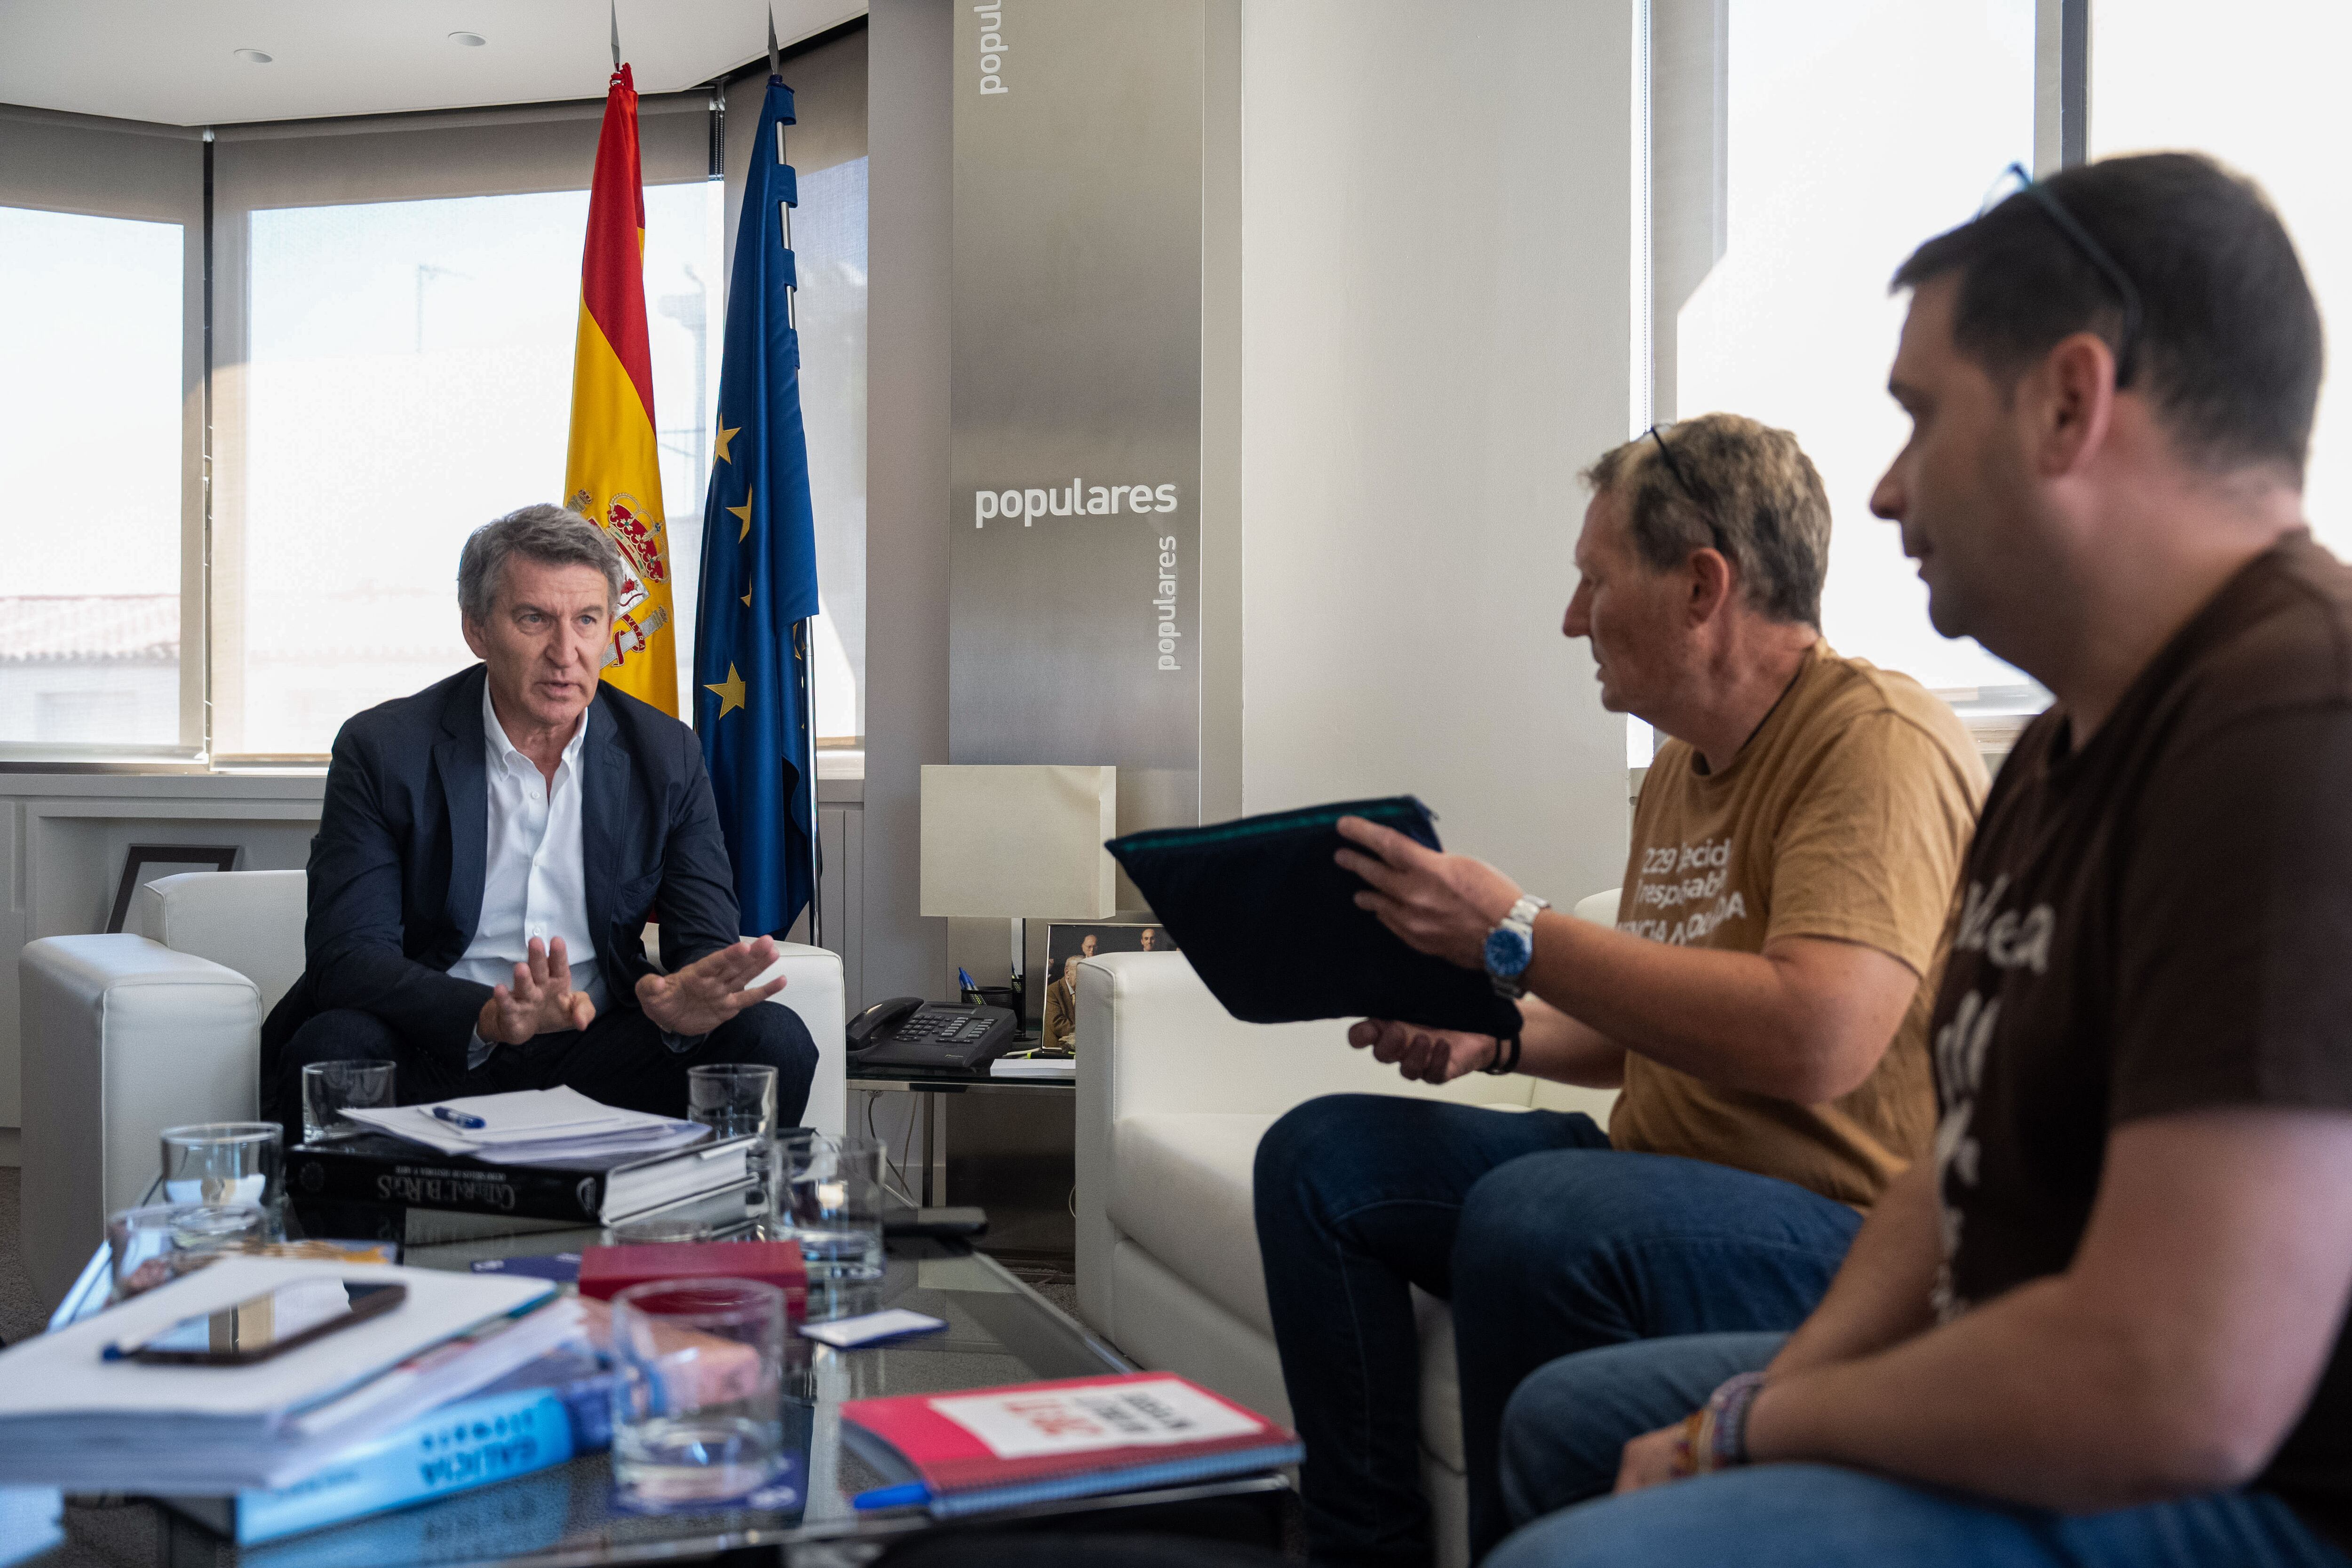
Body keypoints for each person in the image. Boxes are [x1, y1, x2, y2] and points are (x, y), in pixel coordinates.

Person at [1487, 152, 2352, 1568]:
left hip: (2237, 1482)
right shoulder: (2068, 747)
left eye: (1916, 415)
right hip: (2025, 1355)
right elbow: (1942, 1177)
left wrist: (1753, 1432)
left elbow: (2169, 1383)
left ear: (2069, 402)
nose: (1882, 493)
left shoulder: (2285, 727)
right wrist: (1783, 1393)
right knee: (1569, 1424)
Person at [1254, 414, 1987, 1566]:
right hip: (1659, 1182)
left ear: (1702, 588)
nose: (1569, 618)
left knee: (1540, 1216)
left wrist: (1513, 932)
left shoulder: (1874, 742)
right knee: (1318, 1162)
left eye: (1594, 581)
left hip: (1832, 1230)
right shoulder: (1674, 777)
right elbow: (1659, 1028)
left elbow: (1817, 1039)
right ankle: (1364, 1549)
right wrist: (1494, 1042)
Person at [261, 504, 819, 1126]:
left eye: (588, 620)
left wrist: (685, 1003)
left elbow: (704, 943)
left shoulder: (665, 754)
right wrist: (487, 1015)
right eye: (534, 619)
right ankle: (351, 1231)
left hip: (598, 1047)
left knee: (773, 1039)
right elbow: (347, 958)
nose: (566, 652)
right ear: (477, 630)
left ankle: (709, 1224)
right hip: (438, 1045)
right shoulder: (385, 750)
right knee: (334, 1047)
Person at [1044, 953, 1082, 1052]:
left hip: (1081, 1050)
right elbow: (1057, 1023)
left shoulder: (1088, 992)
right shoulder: (1052, 991)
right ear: (1067, 972)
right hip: (1058, 1050)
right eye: (1081, 972)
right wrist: (1086, 1034)